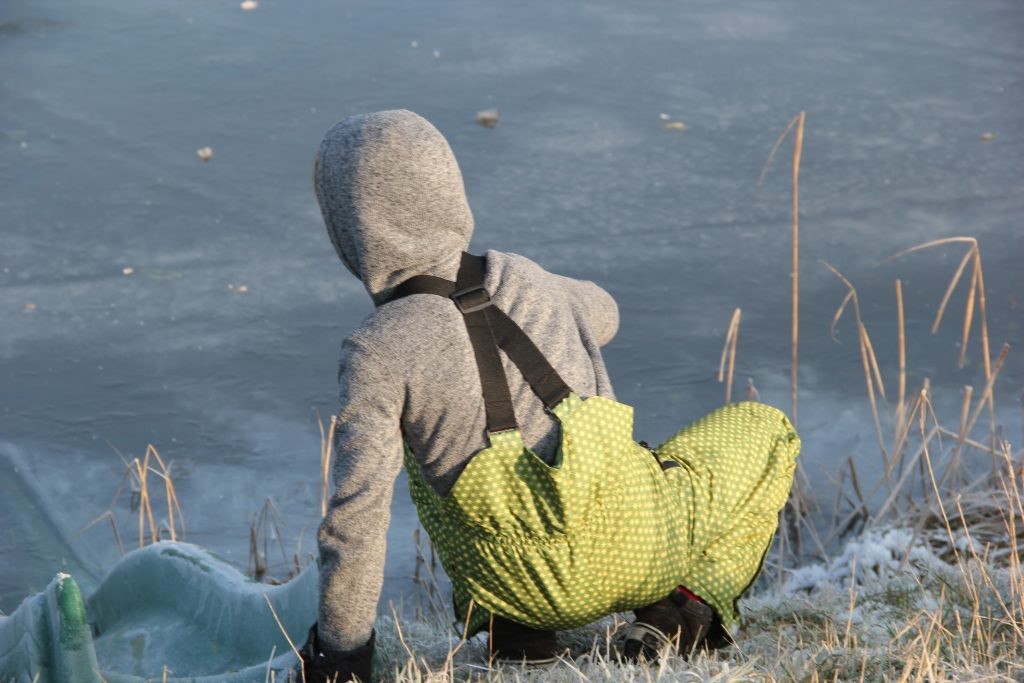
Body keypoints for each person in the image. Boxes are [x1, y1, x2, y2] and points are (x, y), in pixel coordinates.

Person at [299, 110, 801, 682]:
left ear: (351, 226)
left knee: (443, 459)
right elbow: (606, 311)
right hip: (636, 553)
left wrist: (339, 659)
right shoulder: (526, 276)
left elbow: (356, 521)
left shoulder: (376, 349)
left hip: (509, 582)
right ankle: (677, 611)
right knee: (765, 428)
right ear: (449, 192)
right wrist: (549, 309)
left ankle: (518, 632)